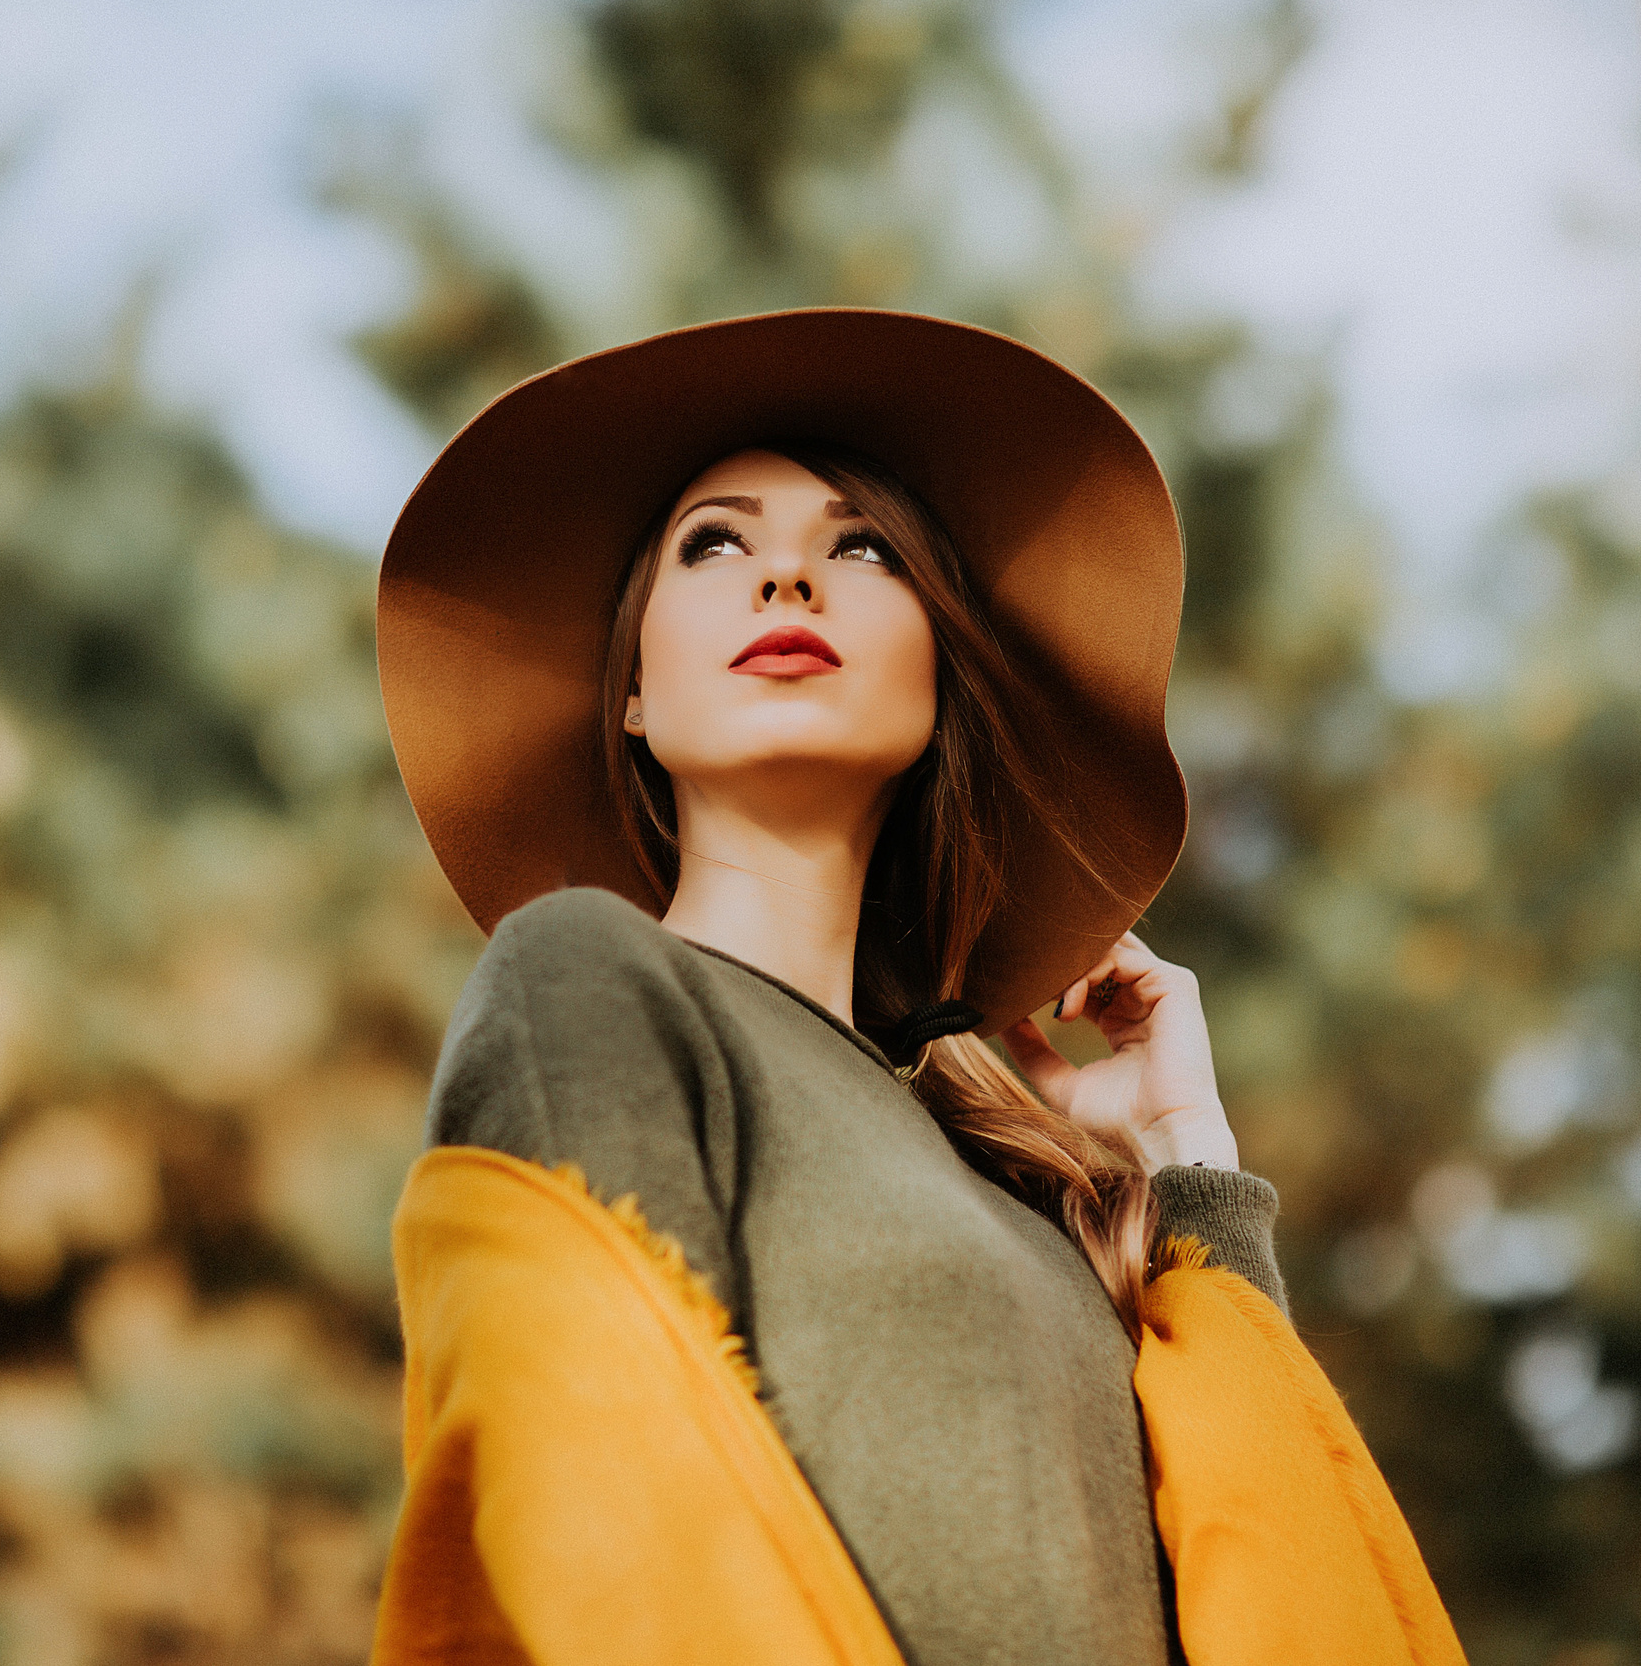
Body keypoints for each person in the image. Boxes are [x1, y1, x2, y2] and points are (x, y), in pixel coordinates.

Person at [369, 309, 1463, 1666]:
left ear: (940, 676)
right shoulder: (585, 984)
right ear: (632, 693)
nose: (788, 579)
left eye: (860, 546)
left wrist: (1182, 1165)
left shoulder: (1021, 1174)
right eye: (715, 543)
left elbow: (1293, 1576)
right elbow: (614, 1541)